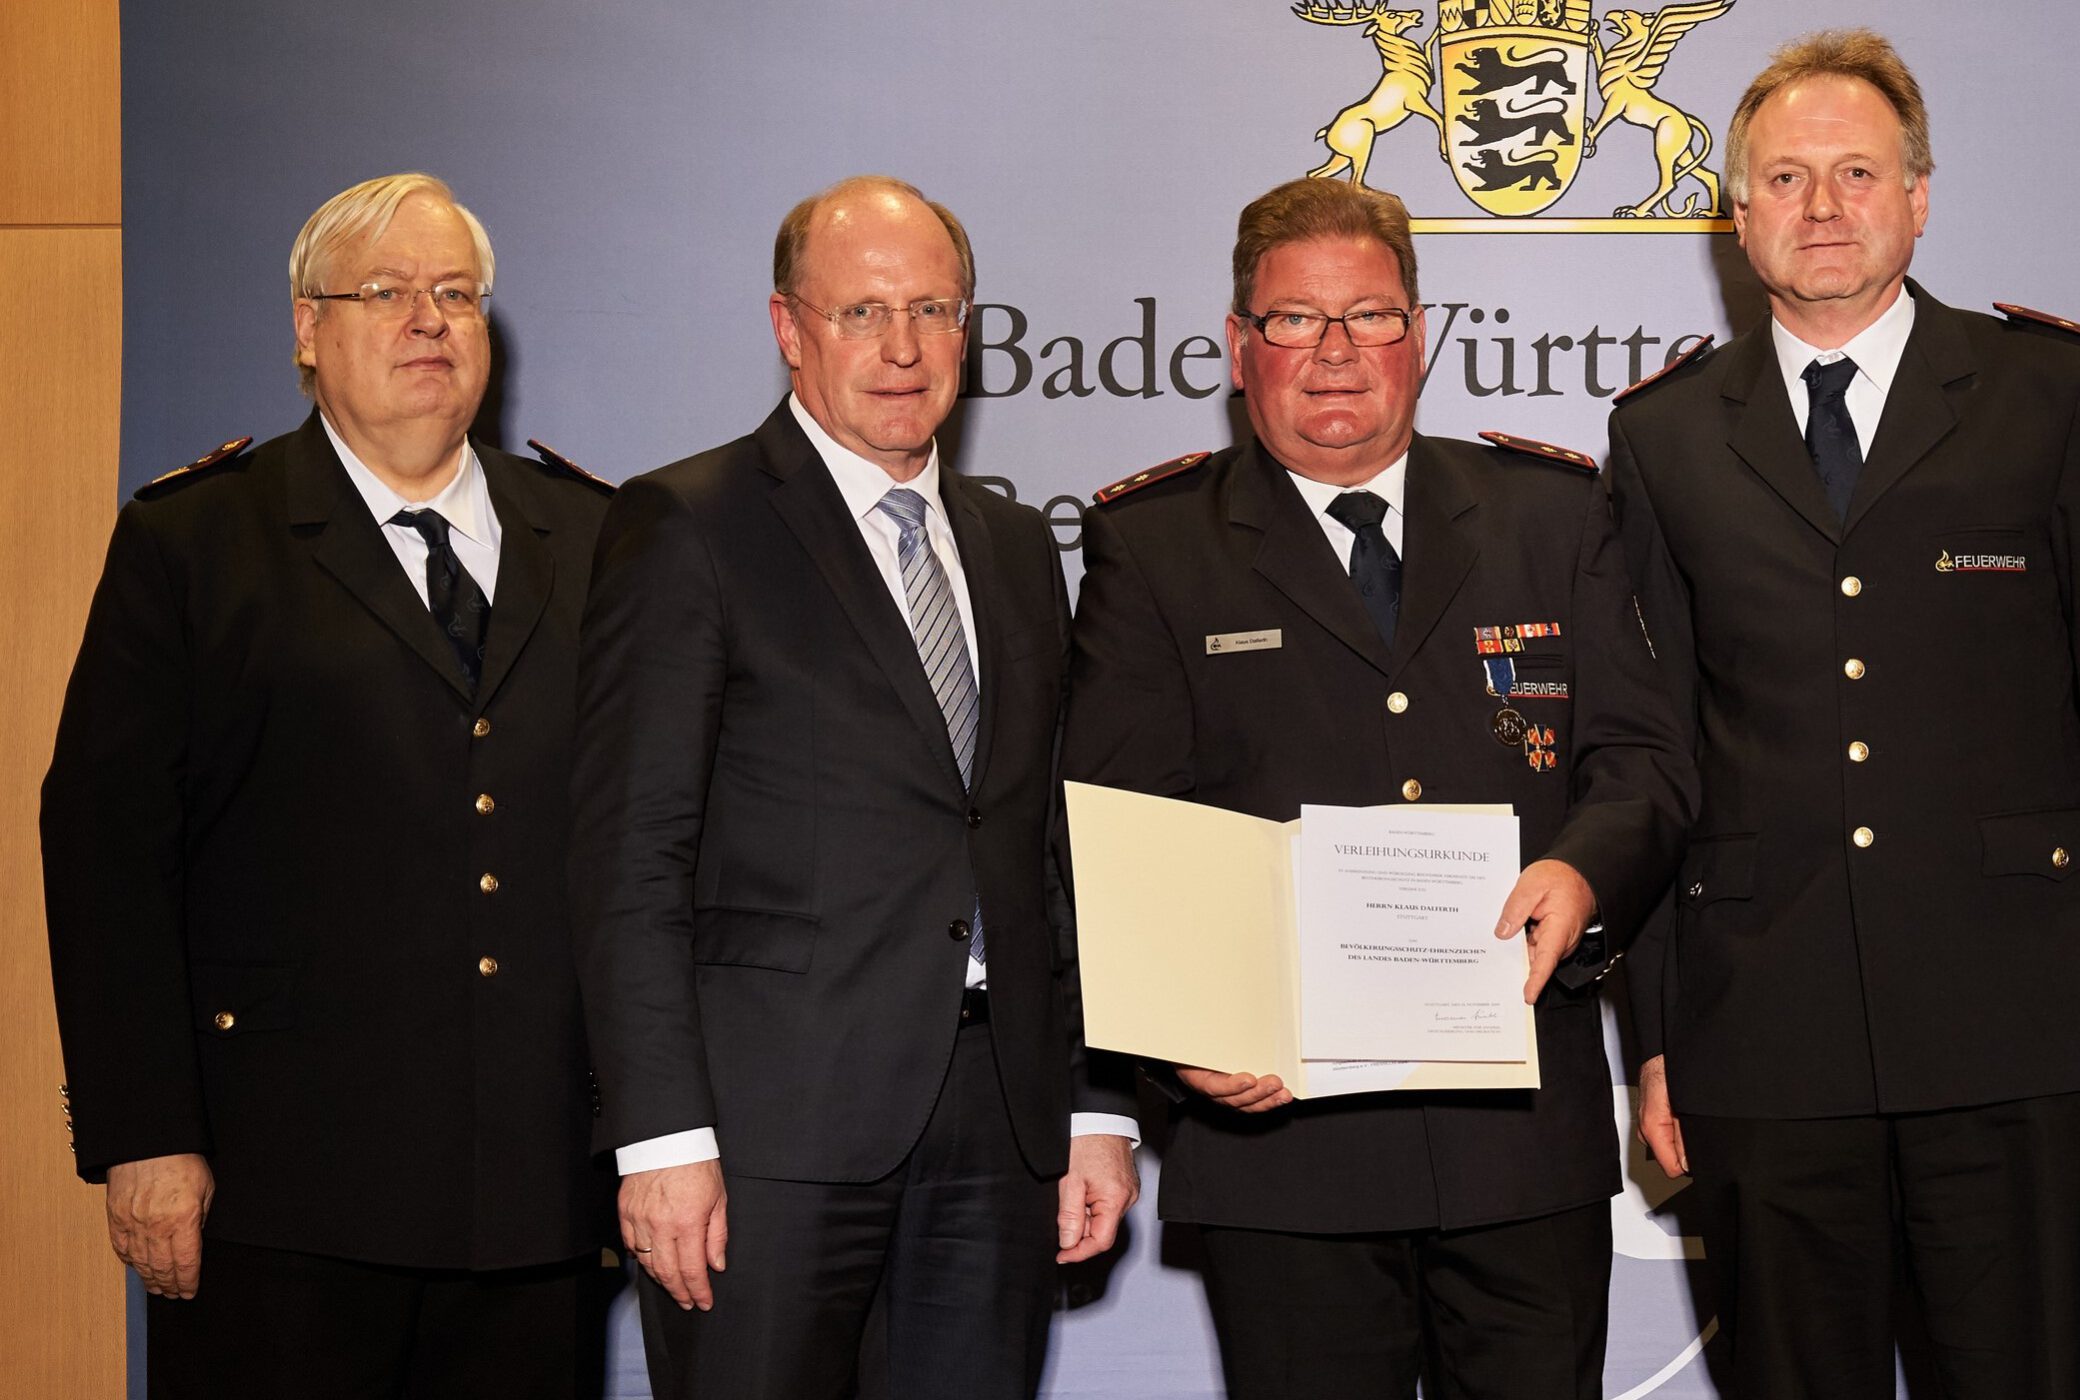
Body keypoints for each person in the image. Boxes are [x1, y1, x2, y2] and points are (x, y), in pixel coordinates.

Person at [1605, 30, 2080, 1398]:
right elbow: (1653, 757)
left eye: (1857, 172)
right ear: (1738, 212)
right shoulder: (1665, 435)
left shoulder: (2049, 395)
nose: (1822, 207)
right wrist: (1652, 1034)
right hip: (1763, 1030)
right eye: (1787, 177)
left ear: (1920, 196)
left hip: (2018, 1018)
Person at [1062, 176, 1695, 1400]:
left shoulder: (1552, 516)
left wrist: (1583, 867)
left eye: (1370, 316)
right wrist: (1183, 1030)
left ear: (1421, 335)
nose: (1336, 352)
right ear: (1242, 347)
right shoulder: (1156, 548)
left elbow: (1644, 760)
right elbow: (1117, 827)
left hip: (1517, 1140)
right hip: (1284, 1151)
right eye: (1296, 320)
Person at [41, 172, 615, 1396]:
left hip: (535, 1196)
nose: (429, 319)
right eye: (387, 291)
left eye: (456, 293)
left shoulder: (598, 535)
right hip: (281, 1194)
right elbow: (107, 856)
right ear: (308, 330)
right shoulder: (196, 541)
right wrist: (145, 1133)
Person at [569, 175, 1137, 1400]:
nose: (901, 347)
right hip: (765, 1135)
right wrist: (660, 1135)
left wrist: (1096, 1102)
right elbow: (632, 854)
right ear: (788, 327)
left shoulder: (1011, 544)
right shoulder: (687, 522)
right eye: (862, 312)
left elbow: (1050, 844)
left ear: (969, 332)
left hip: (998, 1125)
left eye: (932, 309)